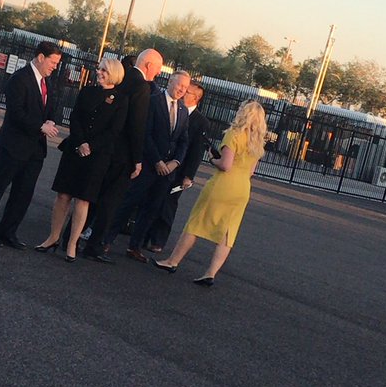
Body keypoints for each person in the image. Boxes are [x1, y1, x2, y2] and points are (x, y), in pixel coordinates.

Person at [154, 100, 267, 285]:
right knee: (228, 232)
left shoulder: (234, 134)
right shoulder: (257, 142)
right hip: (242, 188)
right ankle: (210, 273)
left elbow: (225, 165)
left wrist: (212, 160)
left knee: (196, 222)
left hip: (223, 185)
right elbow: (251, 171)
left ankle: (172, 261)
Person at [34, 58, 127, 260]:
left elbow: (114, 131)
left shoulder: (121, 100)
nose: (99, 72)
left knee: (83, 200)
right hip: (75, 150)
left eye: (104, 70)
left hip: (97, 156)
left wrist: (91, 146)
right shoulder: (87, 92)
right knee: (63, 195)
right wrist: (81, 142)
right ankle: (53, 237)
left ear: (114, 73)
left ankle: (72, 244)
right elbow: (75, 118)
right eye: (99, 69)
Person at [83, 48, 164, 263]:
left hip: (105, 148)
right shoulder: (142, 87)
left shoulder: (122, 77)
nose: (158, 73)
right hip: (122, 154)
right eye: (158, 68)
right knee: (111, 202)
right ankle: (94, 245)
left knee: (92, 195)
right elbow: (137, 126)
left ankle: (72, 236)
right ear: (148, 65)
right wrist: (137, 159)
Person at [0, 42, 62, 248]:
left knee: (23, 193)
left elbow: (51, 107)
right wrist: (40, 126)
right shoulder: (19, 79)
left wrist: (51, 120)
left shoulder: (47, 82)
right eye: (53, 62)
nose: (55, 66)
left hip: (35, 150)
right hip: (13, 145)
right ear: (41, 57)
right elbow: (16, 113)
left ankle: (8, 232)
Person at [105, 71, 191, 262]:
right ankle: (106, 240)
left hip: (167, 171)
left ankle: (134, 246)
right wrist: (157, 161)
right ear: (170, 82)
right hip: (149, 165)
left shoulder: (183, 111)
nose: (181, 90)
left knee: (152, 209)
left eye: (185, 88)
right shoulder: (153, 101)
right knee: (129, 203)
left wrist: (175, 162)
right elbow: (145, 133)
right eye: (179, 86)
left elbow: (183, 141)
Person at [145, 80, 211, 252]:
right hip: (160, 162)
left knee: (168, 203)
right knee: (150, 199)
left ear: (196, 97)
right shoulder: (172, 108)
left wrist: (189, 175)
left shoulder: (200, 121)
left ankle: (158, 240)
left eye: (187, 91)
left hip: (179, 170)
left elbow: (196, 150)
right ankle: (142, 234)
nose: (182, 92)